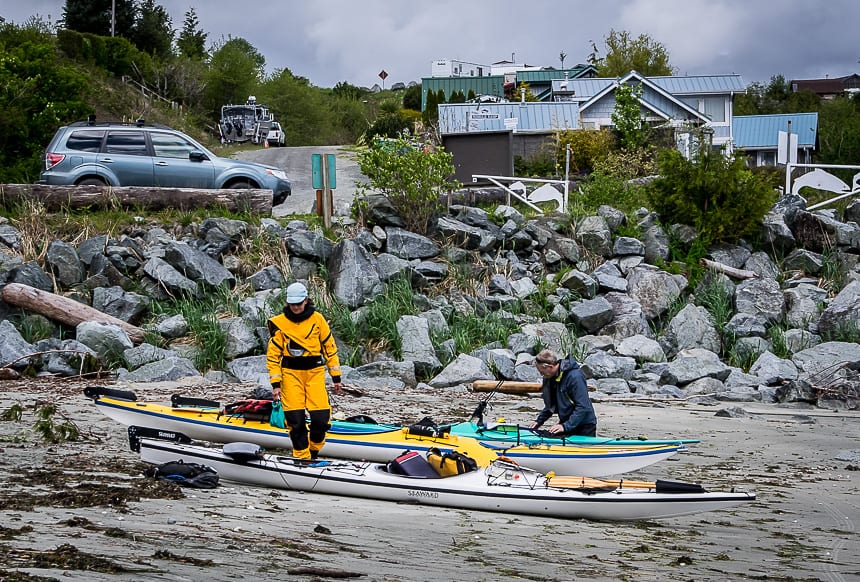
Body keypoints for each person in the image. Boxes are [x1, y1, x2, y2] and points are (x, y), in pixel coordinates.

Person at [266, 282, 342, 460]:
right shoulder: (280, 324)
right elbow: (273, 356)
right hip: (290, 374)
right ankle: (301, 455)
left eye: (299, 303)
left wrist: (336, 377)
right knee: (295, 420)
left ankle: (314, 450)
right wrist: (275, 384)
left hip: (314, 372)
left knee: (321, 419)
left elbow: (329, 348)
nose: (296, 307)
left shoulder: (318, 320)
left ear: (306, 300)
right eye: (292, 304)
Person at [529, 349, 597, 437]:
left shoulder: (575, 377)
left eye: (541, 372)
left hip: (584, 425)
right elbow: (551, 405)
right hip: (567, 422)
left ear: (549, 366)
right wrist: (538, 421)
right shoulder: (550, 378)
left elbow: (582, 406)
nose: (541, 375)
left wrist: (565, 426)